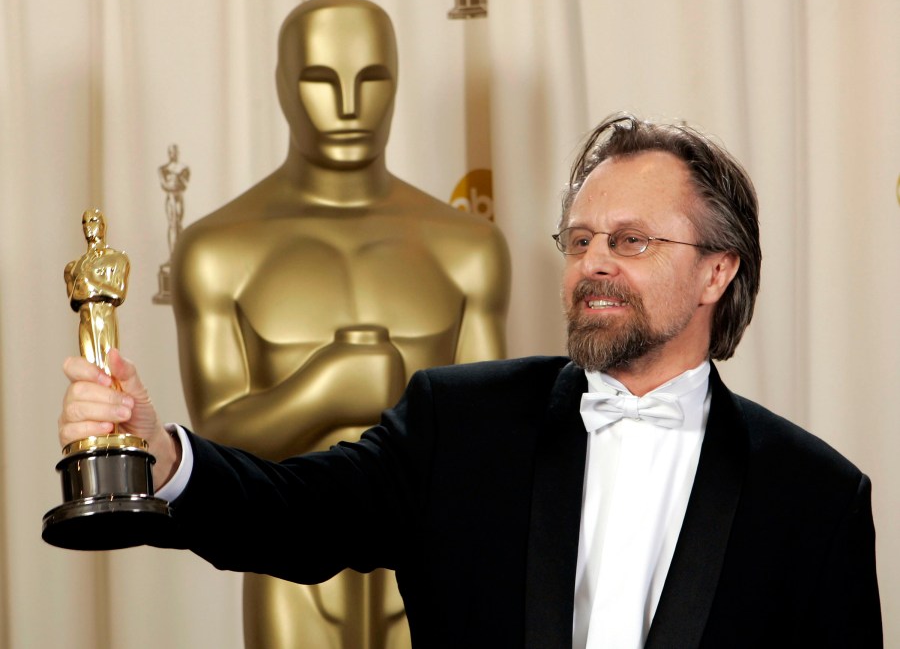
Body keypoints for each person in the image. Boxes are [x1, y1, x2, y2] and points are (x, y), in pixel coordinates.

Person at [59, 113, 883, 648]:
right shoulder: (460, 422)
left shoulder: (816, 497)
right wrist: (163, 454)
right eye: (580, 238)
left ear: (716, 272)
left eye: (630, 242)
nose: (593, 261)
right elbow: (296, 514)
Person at [168, 0, 509, 649]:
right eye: (321, 80)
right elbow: (213, 445)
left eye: (371, 79)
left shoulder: (468, 248)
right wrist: (325, 388)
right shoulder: (218, 250)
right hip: (289, 583)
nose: (350, 106)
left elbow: (485, 445)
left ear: (398, 80)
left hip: (429, 573)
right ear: (281, 87)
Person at [64, 208, 130, 377]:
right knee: (89, 375)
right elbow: (73, 299)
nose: (87, 226)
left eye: (92, 221)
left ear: (102, 226)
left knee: (110, 373)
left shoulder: (116, 258)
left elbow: (119, 293)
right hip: (85, 322)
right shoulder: (73, 266)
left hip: (104, 319)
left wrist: (91, 286)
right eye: (84, 222)